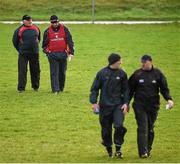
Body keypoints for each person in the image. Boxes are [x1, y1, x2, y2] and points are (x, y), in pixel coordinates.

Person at [128, 55, 174, 158]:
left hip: (153, 106)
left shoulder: (158, 74)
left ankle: (148, 149)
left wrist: (169, 99)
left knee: (150, 128)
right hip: (139, 105)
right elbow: (129, 90)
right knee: (142, 127)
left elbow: (164, 89)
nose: (142, 64)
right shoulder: (137, 74)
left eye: (145, 62)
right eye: (142, 63)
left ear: (151, 62)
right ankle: (142, 152)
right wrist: (126, 103)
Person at [89, 53, 129, 158]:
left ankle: (118, 149)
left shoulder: (122, 74)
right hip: (104, 106)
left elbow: (126, 90)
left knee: (119, 126)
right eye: (120, 60)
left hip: (118, 106)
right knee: (106, 131)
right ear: (114, 62)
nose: (121, 62)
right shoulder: (102, 73)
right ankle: (109, 149)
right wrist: (93, 102)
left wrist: (126, 103)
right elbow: (94, 89)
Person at [42, 15, 74, 94]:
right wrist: (48, 52)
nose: (55, 24)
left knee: (62, 72)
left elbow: (70, 41)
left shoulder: (65, 29)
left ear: (58, 21)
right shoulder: (47, 31)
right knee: (54, 72)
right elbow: (44, 45)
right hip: (52, 55)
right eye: (53, 22)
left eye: (56, 22)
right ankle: (55, 90)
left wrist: (71, 52)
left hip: (63, 54)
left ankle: (61, 88)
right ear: (51, 23)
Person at [12, 15, 41, 92]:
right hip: (23, 54)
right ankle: (21, 88)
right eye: (28, 20)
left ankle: (35, 87)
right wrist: (20, 50)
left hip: (34, 53)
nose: (30, 21)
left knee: (35, 70)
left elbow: (38, 39)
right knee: (22, 71)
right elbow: (15, 42)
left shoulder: (36, 28)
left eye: (31, 20)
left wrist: (35, 48)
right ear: (24, 21)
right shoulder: (19, 30)